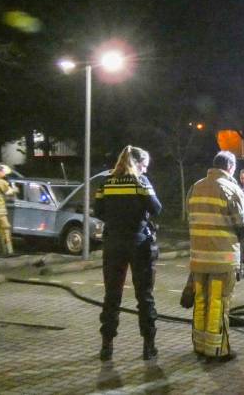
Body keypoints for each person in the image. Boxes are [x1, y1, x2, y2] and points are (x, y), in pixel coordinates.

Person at [95, 145, 162, 361]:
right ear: (138, 163)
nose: (145, 170)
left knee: (112, 295)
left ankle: (107, 346)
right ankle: (148, 346)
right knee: (144, 295)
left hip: (113, 243)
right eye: (145, 166)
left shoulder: (106, 182)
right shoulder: (141, 182)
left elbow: (98, 211)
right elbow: (156, 208)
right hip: (139, 244)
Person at [187, 151, 244, 361]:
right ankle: (217, 349)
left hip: (198, 258)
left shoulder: (195, 187)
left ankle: (199, 344)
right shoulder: (231, 188)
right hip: (222, 259)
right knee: (219, 302)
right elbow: (243, 225)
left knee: (201, 300)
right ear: (230, 167)